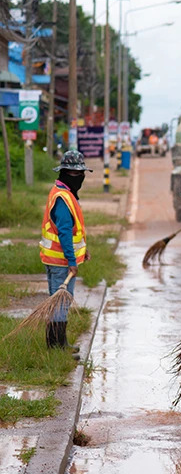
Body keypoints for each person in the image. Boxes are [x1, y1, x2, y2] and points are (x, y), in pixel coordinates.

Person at [39, 150, 93, 360]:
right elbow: (63, 232)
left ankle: (60, 343)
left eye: (80, 173)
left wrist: (82, 251)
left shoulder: (63, 192)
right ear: (66, 174)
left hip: (56, 259)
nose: (79, 177)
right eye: (75, 173)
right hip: (60, 262)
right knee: (60, 303)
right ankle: (56, 346)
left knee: (59, 302)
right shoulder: (63, 198)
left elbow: (72, 231)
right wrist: (72, 261)